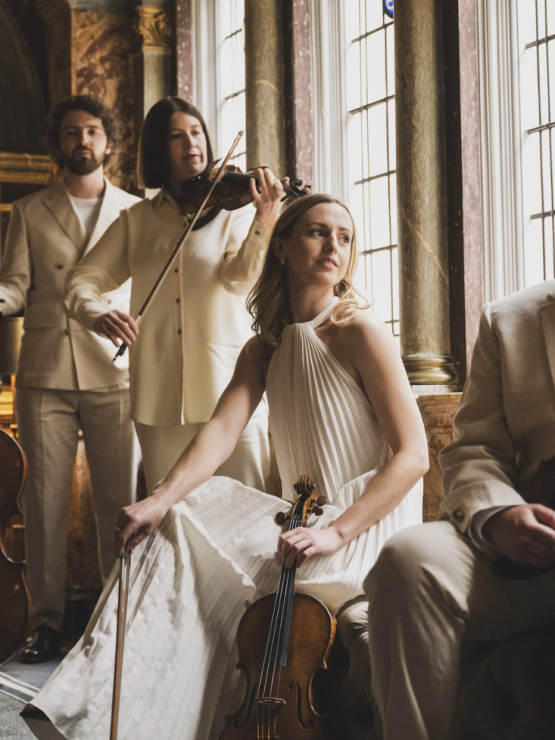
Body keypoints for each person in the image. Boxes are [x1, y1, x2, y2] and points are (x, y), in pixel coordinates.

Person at [23, 194, 427, 740]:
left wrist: (335, 531)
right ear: (279, 247)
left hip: (362, 531)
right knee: (171, 519)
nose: (334, 246)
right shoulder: (264, 347)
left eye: (345, 236)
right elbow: (218, 434)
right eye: (317, 232)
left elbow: (414, 456)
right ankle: (102, 717)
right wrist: (157, 498)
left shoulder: (360, 331)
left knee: (193, 543)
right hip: (303, 522)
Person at [64, 97, 284, 494]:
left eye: (196, 132)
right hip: (158, 399)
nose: (191, 143)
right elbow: (82, 279)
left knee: (246, 515)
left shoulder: (237, 212)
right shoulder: (137, 220)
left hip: (230, 393)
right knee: (170, 524)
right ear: (158, 149)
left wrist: (264, 220)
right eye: (176, 136)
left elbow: (239, 279)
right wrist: (97, 314)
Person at [365, 280, 555, 739]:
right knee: (409, 559)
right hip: (529, 558)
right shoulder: (508, 318)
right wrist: (498, 515)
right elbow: (474, 449)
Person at [0, 95, 140, 663]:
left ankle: (116, 624)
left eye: (92, 132)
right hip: (45, 373)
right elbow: (15, 285)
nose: (82, 141)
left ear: (109, 142)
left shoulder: (136, 210)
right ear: (56, 143)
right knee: (43, 504)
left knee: (119, 504)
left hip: (115, 371)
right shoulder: (30, 211)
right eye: (70, 133)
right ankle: (44, 624)